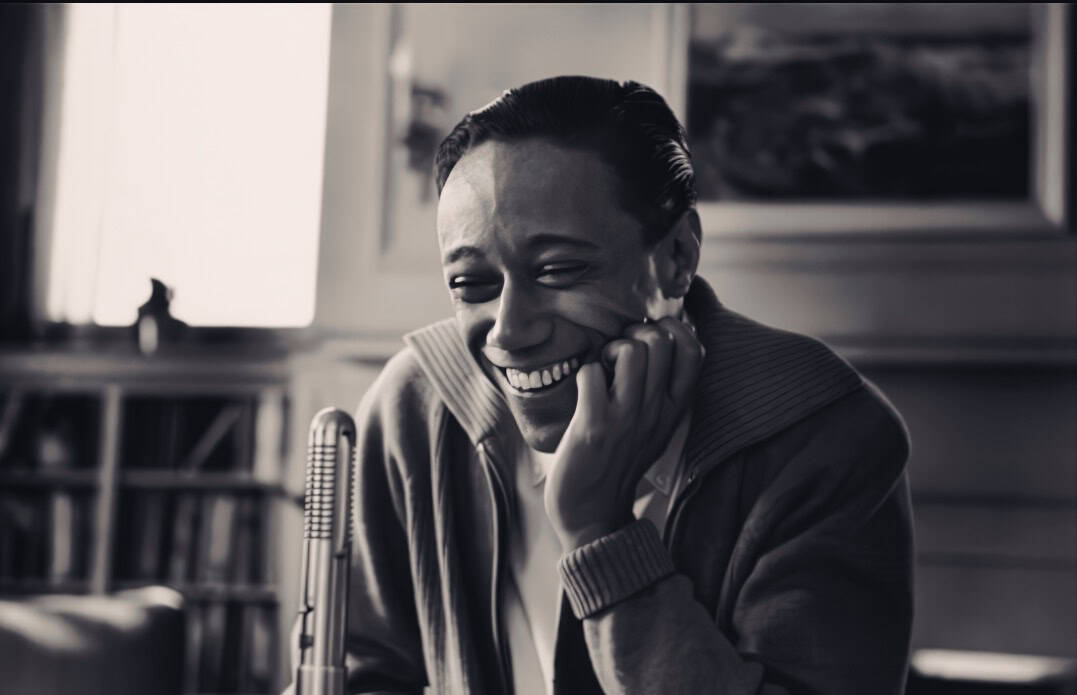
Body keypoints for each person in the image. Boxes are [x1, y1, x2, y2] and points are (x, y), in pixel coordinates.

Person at [300, 76, 914, 695]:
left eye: (559, 270)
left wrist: (600, 531)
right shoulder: (418, 404)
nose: (509, 332)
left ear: (677, 256)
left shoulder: (826, 435)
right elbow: (362, 676)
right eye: (471, 285)